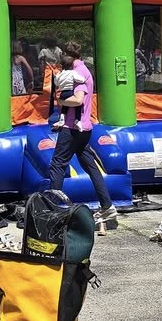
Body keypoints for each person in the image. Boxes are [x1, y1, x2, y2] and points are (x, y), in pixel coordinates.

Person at [44, 41, 118, 232]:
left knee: (58, 164)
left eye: (64, 57)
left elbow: (77, 100)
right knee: (90, 166)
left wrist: (59, 100)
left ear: (71, 56)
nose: (61, 60)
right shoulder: (82, 70)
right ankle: (107, 206)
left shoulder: (79, 73)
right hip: (84, 128)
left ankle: (53, 210)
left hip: (72, 128)